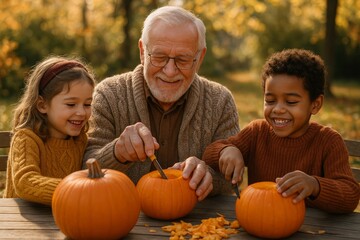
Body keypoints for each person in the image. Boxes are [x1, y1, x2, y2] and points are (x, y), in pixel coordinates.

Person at [83, 5, 240, 201]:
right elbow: (84, 167)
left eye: (182, 59)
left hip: (197, 222)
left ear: (199, 58)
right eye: (159, 57)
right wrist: (117, 153)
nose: (170, 71)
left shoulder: (220, 101)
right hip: (123, 216)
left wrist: (208, 176)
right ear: (142, 51)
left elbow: (232, 175)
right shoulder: (108, 95)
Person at [202, 48, 360, 213]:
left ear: (315, 104)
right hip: (260, 220)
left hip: (313, 230)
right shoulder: (257, 132)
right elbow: (209, 154)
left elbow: (350, 195)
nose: (277, 109)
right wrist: (227, 150)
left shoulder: (328, 141)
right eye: (270, 100)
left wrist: (315, 185)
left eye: (291, 102)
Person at [4, 56, 96, 205]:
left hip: (62, 219)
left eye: (87, 104)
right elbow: (25, 182)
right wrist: (74, 190)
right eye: (71, 104)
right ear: (42, 105)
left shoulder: (80, 140)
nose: (81, 112)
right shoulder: (26, 138)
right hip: (21, 222)